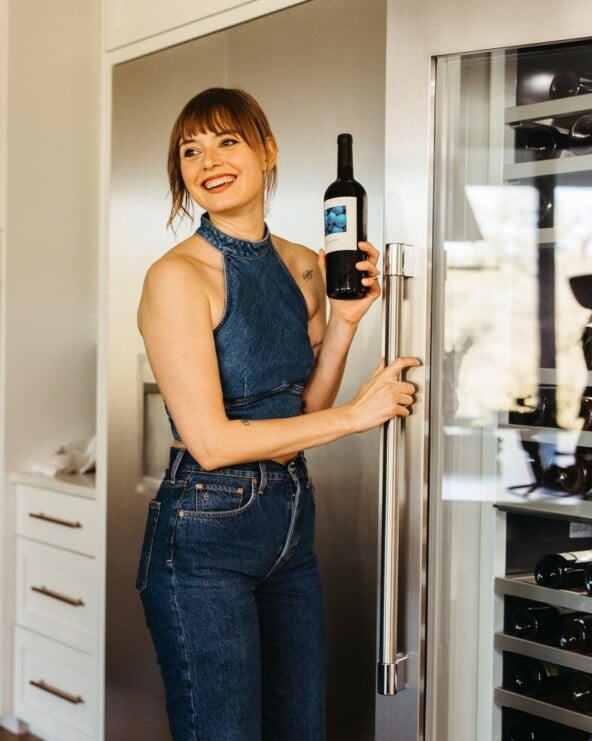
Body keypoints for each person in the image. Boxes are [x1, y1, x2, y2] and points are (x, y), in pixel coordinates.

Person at [136, 87, 419, 741]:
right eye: (190, 149)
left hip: (290, 534)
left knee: (301, 729)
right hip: (204, 540)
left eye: (227, 140)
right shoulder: (177, 277)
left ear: (267, 150)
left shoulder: (302, 265)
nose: (208, 160)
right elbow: (210, 441)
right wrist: (356, 416)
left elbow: (301, 415)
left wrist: (345, 324)